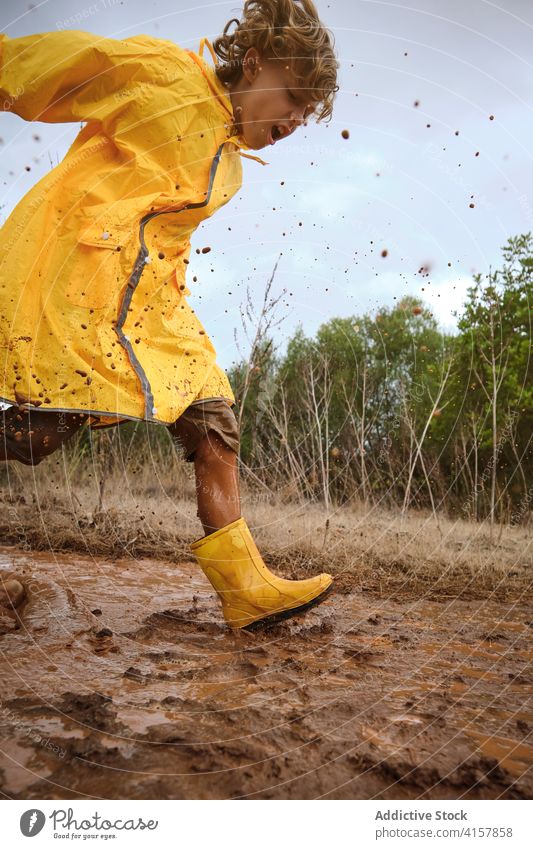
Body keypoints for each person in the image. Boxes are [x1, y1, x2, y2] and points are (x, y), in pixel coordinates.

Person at [0, 0, 339, 629]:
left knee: (215, 423)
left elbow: (167, 241)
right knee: (36, 437)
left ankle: (244, 589)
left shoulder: (231, 164)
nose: (296, 117)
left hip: (153, 312)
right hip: (78, 290)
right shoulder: (164, 76)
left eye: (307, 109)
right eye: (292, 95)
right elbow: (49, 64)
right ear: (256, 62)